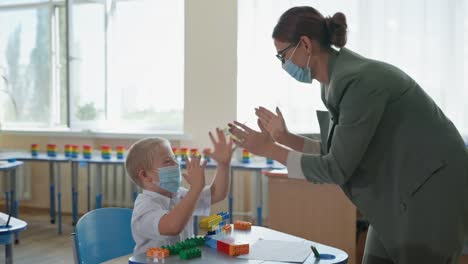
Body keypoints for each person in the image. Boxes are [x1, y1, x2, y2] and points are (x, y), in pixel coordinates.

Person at [228, 6, 468, 264]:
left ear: (305, 44)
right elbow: (336, 150)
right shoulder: (333, 83)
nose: (284, 65)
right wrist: (284, 138)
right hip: (398, 194)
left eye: (283, 56)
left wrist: (269, 149)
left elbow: (336, 168)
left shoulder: (358, 81)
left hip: (431, 192)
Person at [125, 129, 233, 255]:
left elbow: (217, 194)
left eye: (174, 158)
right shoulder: (144, 207)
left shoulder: (179, 195)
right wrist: (195, 188)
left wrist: (223, 165)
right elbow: (172, 227)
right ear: (145, 175)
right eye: (168, 161)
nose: (176, 164)